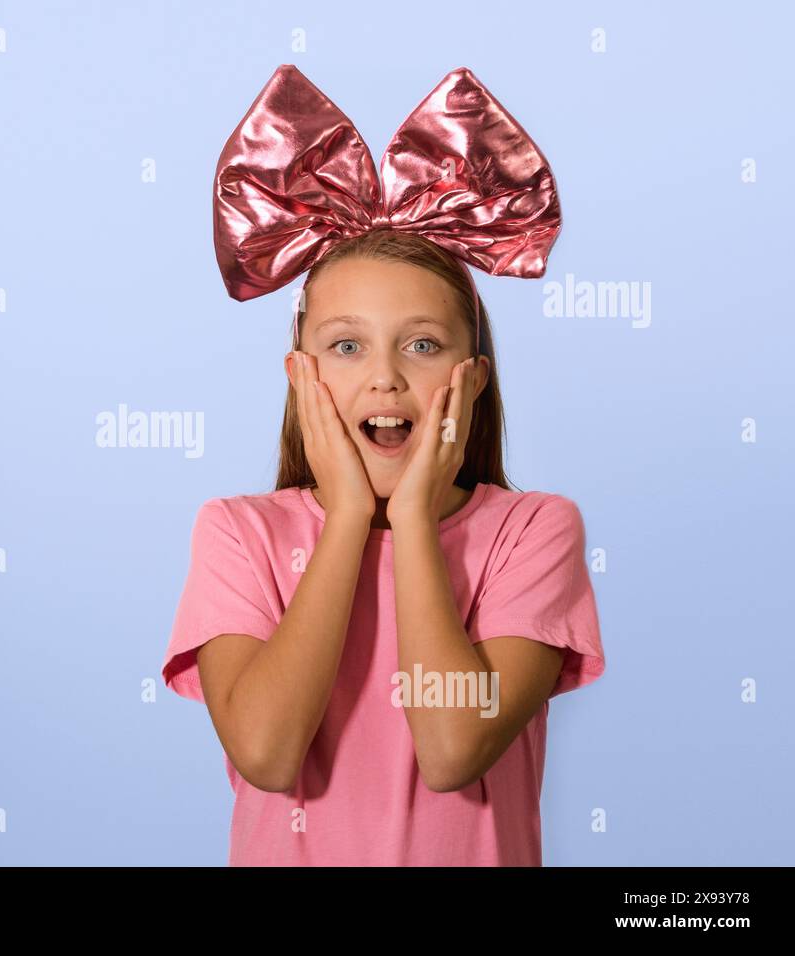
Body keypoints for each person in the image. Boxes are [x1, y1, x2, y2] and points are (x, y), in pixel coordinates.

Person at [161, 65, 605, 866]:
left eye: (425, 345)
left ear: (474, 377)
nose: (386, 377)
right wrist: (350, 522)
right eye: (346, 345)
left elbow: (451, 747)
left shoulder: (534, 531)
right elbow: (266, 753)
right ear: (303, 375)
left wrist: (411, 525)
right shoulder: (237, 534)